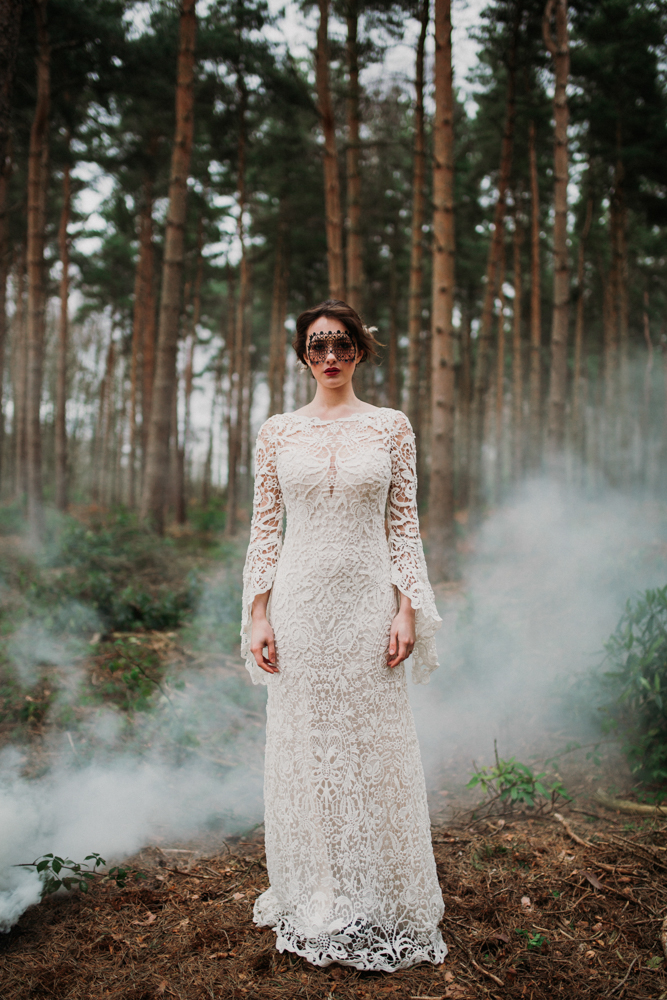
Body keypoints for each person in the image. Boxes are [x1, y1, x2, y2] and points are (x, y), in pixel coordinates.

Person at [241, 299, 446, 971]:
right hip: (298, 607)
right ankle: (317, 890)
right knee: (308, 749)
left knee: (370, 746)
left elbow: (403, 527)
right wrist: (258, 613)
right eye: (315, 346)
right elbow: (264, 530)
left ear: (360, 350)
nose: (328, 356)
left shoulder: (391, 427)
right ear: (303, 356)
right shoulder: (276, 432)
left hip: (366, 606)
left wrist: (406, 607)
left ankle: (381, 893)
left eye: (341, 344)